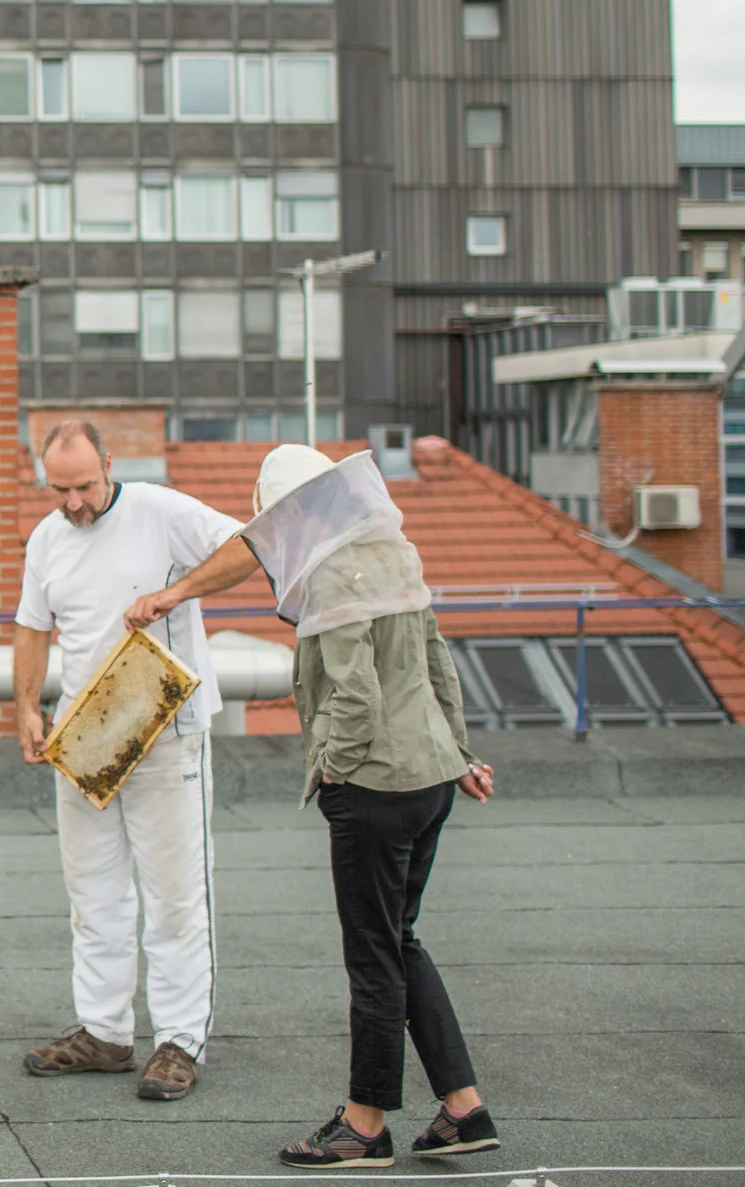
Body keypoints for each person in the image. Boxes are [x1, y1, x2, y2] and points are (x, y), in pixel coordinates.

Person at [142, 443, 499, 1168]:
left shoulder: (331, 575)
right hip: (431, 775)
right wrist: (460, 754)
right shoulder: (397, 551)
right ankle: (463, 1108)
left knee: (372, 956)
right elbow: (438, 665)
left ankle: (363, 1124)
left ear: (298, 510)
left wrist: (332, 773)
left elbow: (355, 695)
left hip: (375, 784)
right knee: (401, 939)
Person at [13, 420, 265, 1101]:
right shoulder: (46, 537)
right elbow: (33, 626)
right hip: (87, 733)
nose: (73, 501)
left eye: (85, 485)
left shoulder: (161, 509)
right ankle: (105, 1030)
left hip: (165, 726)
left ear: (110, 465)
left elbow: (249, 546)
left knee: (176, 891)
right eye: (59, 488)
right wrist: (27, 707)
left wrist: (175, 592)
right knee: (92, 891)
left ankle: (179, 1039)